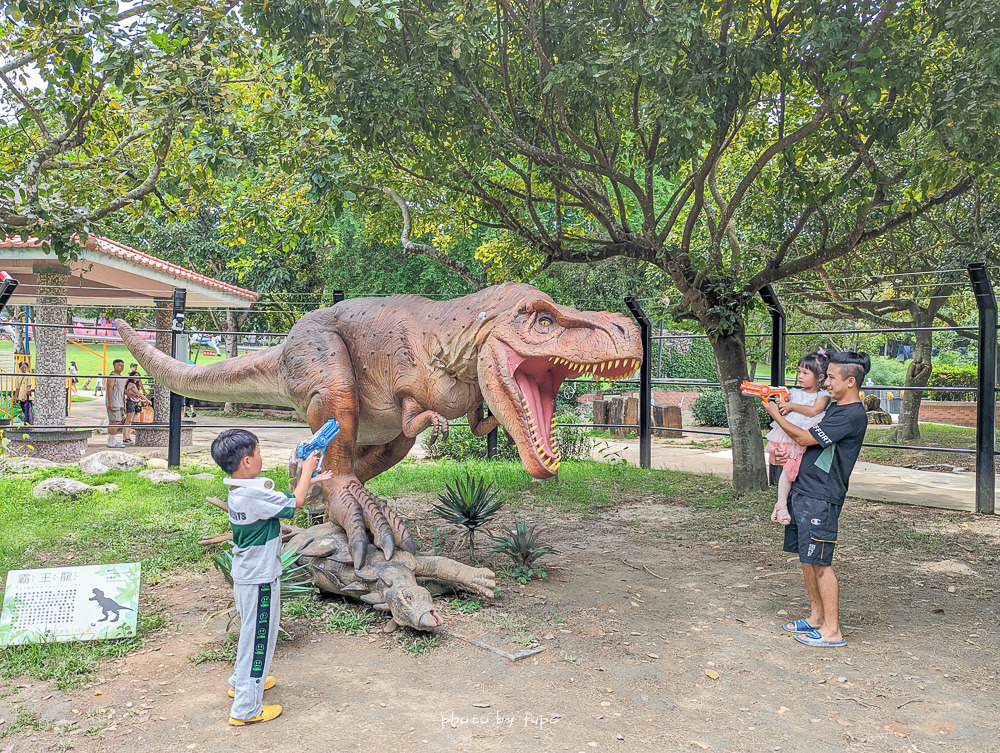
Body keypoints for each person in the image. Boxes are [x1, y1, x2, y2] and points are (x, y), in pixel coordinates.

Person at [210, 429, 334, 726]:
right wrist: (307, 468)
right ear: (247, 461)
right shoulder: (252, 494)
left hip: (247, 574)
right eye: (259, 452)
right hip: (259, 578)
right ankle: (245, 709)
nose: (261, 457)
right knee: (259, 640)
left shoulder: (241, 488)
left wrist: (310, 478)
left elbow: (283, 499)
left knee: (251, 633)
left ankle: (240, 682)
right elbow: (297, 503)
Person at [762, 351, 871, 649]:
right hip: (804, 489)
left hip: (822, 496)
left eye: (832, 378)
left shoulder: (852, 415)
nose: (826, 382)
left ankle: (832, 631)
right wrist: (787, 458)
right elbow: (808, 446)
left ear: (850, 381)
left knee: (821, 562)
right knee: (807, 558)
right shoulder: (834, 408)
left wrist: (774, 414)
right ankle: (816, 618)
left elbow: (805, 438)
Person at [763, 352, 830, 525]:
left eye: (805, 373)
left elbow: (814, 411)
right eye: (799, 372)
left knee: (794, 470)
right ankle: (781, 503)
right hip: (791, 437)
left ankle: (782, 504)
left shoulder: (822, 396)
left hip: (805, 435)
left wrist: (791, 406)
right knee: (789, 468)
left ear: (820, 377)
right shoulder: (791, 392)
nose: (800, 376)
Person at [122, 372, 151, 444]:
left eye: (138, 375)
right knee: (128, 421)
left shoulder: (134, 385)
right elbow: (138, 394)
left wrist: (142, 400)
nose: (137, 377)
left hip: (135, 402)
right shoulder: (132, 385)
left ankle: (127, 437)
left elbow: (136, 396)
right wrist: (147, 400)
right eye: (135, 376)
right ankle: (125, 438)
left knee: (132, 421)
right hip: (131, 403)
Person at [105, 359, 127, 448]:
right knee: (115, 421)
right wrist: (110, 402)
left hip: (120, 402)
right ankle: (111, 441)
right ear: (114, 366)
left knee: (116, 421)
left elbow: (122, 391)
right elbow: (109, 389)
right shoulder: (112, 376)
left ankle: (113, 440)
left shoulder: (121, 377)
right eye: (119, 365)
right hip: (114, 402)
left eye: (122, 365)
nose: (121, 367)